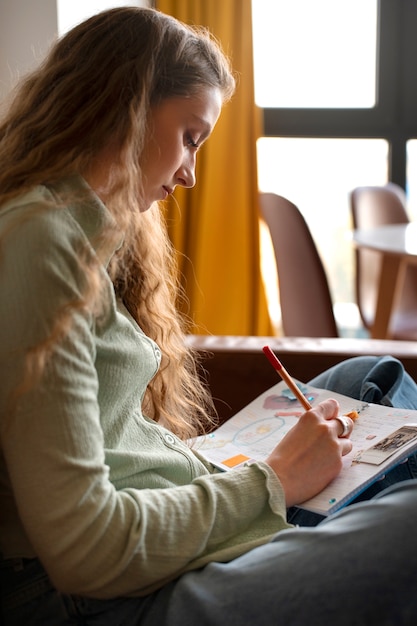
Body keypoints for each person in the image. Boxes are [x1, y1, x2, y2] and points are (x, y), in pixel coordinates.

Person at [0, 7, 416, 625]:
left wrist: (256, 473)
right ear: (128, 107)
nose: (191, 173)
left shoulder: (83, 229)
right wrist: (273, 480)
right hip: (98, 599)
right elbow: (85, 552)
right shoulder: (41, 240)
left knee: (369, 377)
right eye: (191, 137)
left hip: (164, 504)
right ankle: (324, 516)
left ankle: (329, 513)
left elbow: (112, 448)